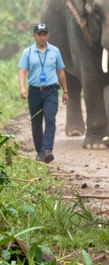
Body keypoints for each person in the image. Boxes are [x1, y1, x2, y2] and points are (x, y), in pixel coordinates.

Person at [17, 22, 68, 163]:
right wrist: (22, 88)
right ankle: (40, 151)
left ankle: (47, 149)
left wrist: (65, 91)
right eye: (39, 35)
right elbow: (22, 71)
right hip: (34, 91)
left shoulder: (55, 51)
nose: (42, 37)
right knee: (36, 122)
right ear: (34, 36)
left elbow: (61, 71)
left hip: (51, 90)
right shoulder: (27, 52)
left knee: (50, 119)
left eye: (44, 34)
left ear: (48, 35)